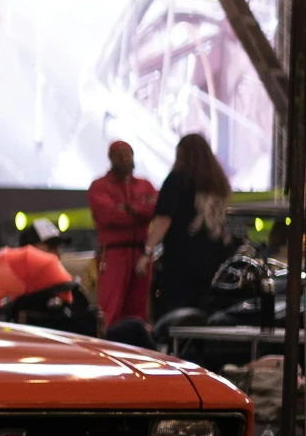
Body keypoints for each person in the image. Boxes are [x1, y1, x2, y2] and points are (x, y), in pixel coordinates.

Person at [149, 132, 233, 319]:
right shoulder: (217, 183)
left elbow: (164, 219)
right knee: (205, 315)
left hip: (182, 264)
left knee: (178, 318)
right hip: (214, 260)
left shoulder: (177, 180)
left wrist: (147, 250)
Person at [86, 139, 157, 328]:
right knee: (111, 308)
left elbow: (154, 209)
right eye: (120, 155)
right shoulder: (99, 186)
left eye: (128, 154)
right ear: (111, 158)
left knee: (139, 311)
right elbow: (107, 216)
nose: (125, 158)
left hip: (140, 253)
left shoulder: (145, 185)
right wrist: (138, 211)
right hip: (114, 254)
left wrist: (126, 208)